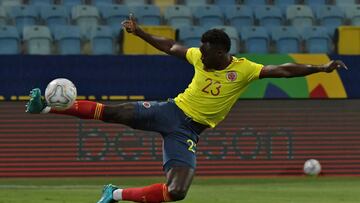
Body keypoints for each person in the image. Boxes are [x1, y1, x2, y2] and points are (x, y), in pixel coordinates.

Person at [26, 14, 348, 203]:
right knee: (114, 112)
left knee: (177, 192)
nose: (200, 57)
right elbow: (170, 46)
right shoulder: (199, 56)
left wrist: (319, 69)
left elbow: (285, 70)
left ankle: (116, 194)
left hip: (189, 131)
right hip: (171, 110)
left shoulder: (245, 69)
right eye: (201, 52)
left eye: (206, 53)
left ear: (222, 52)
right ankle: (45, 107)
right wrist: (139, 33)